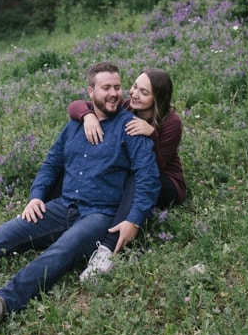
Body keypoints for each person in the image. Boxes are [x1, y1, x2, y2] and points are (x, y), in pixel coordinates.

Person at [0, 62, 161, 331]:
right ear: (91, 91)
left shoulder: (130, 127)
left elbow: (148, 178)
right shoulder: (74, 125)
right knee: (7, 233)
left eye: (117, 87)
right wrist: (36, 197)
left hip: (99, 213)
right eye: (106, 87)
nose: (115, 93)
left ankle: (2, 303)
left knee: (61, 251)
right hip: (62, 206)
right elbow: (51, 164)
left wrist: (135, 220)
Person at [64, 67, 188, 280]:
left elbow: (153, 168)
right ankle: (48, 210)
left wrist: (153, 135)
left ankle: (107, 250)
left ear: (158, 98)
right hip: (131, 174)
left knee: (135, 177)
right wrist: (88, 116)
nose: (134, 94)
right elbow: (75, 106)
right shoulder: (127, 107)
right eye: (134, 86)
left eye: (144, 92)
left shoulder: (171, 122)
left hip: (166, 182)